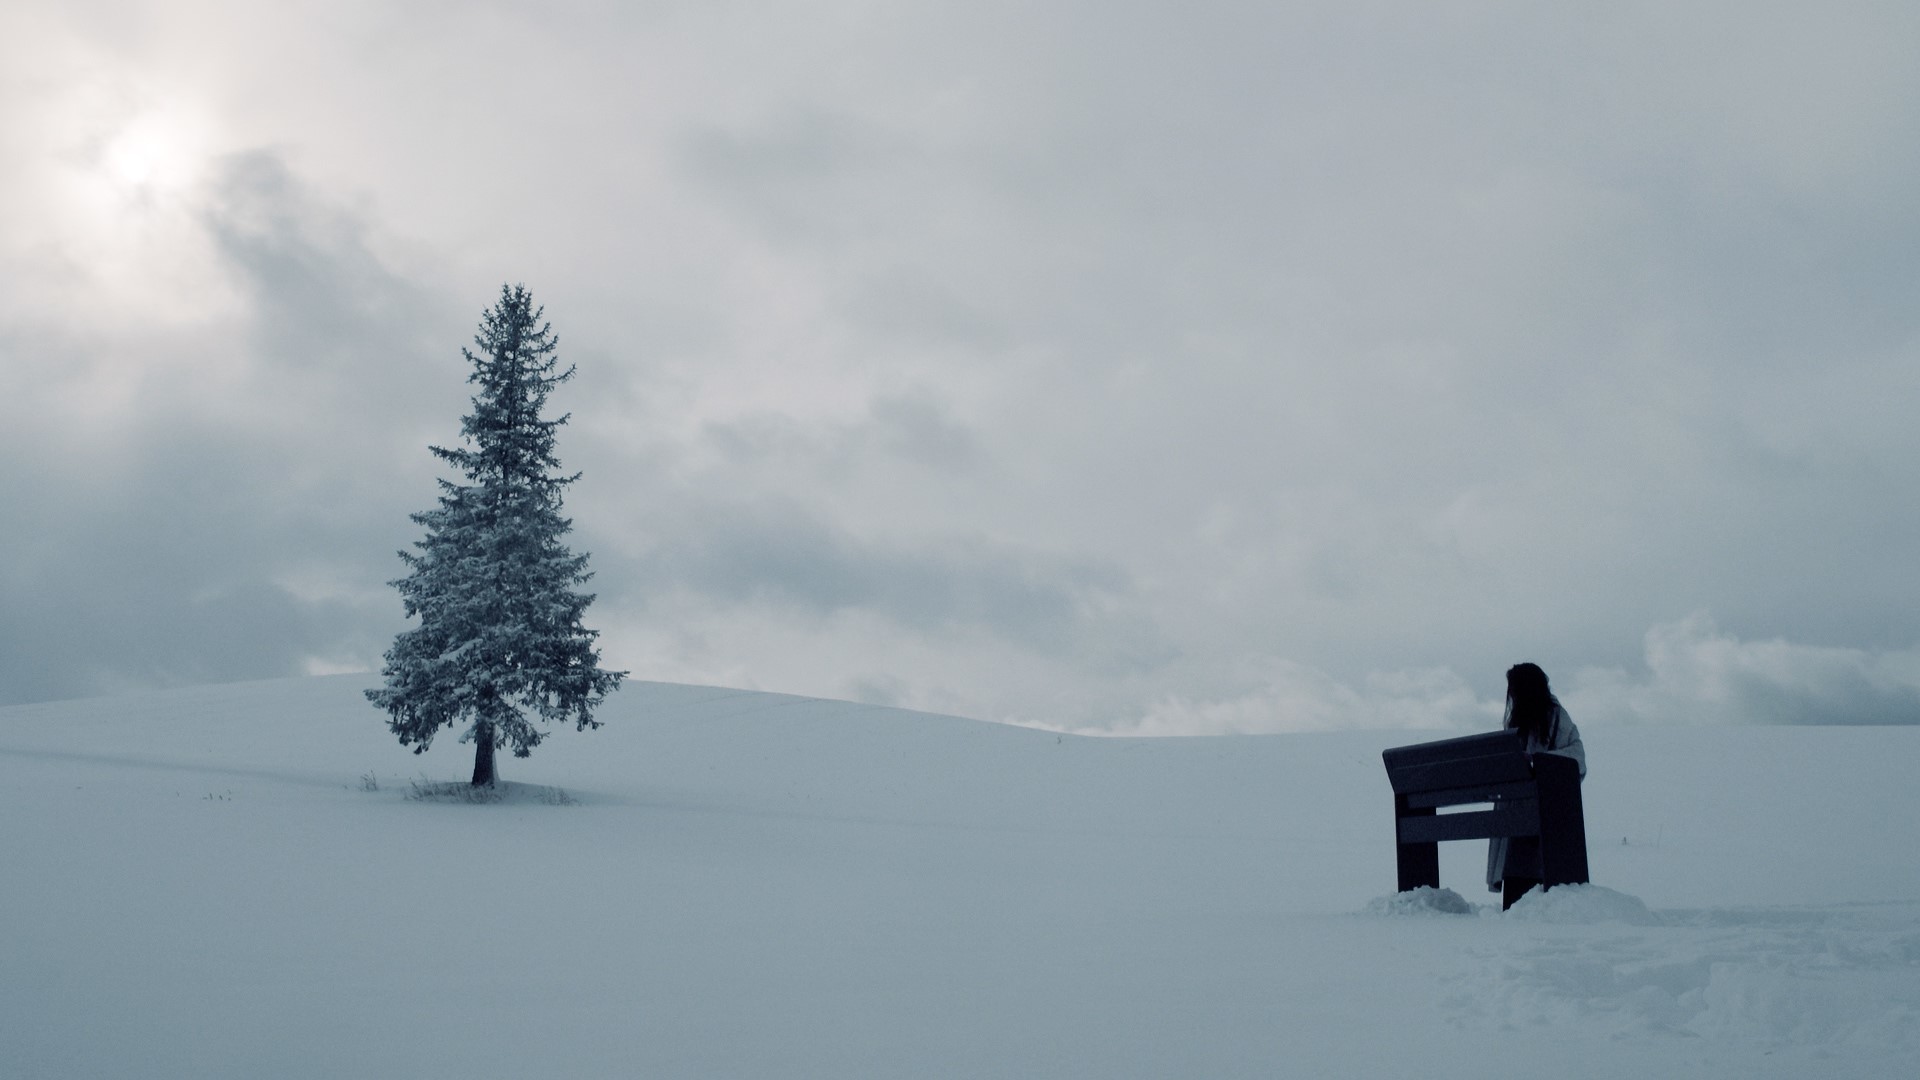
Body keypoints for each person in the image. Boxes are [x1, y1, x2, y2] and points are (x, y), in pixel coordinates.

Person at [1487, 662, 1585, 909]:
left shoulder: (1554, 718)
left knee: (1526, 857)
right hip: (1521, 809)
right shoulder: (1520, 721)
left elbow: (1577, 758)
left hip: (1539, 809)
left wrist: (1539, 761)